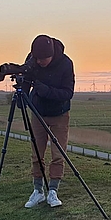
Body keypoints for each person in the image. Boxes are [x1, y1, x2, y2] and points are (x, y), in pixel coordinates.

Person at [21, 34, 75, 209]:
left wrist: (46, 91)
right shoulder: (32, 60)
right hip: (37, 112)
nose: (39, 62)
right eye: (36, 59)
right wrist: (23, 94)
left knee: (58, 154)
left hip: (59, 114)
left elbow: (68, 93)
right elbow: (26, 80)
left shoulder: (66, 64)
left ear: (52, 55)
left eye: (43, 59)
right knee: (36, 153)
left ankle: (53, 191)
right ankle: (38, 191)